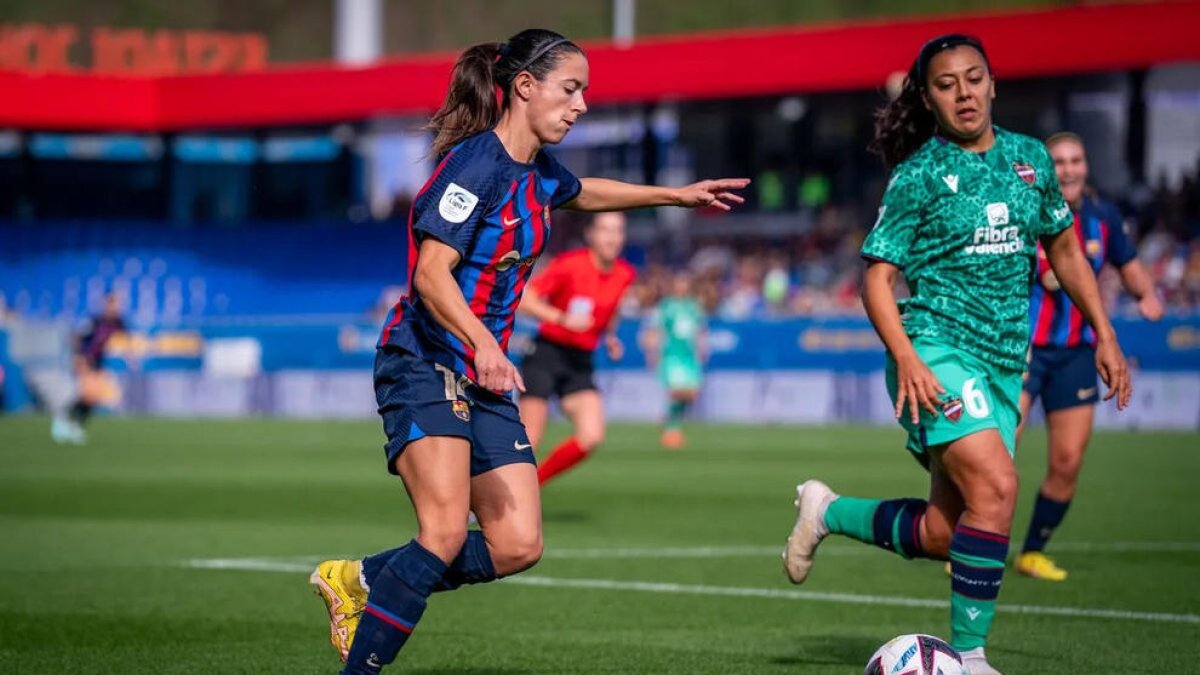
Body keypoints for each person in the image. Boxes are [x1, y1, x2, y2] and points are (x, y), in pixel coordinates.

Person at [308, 29, 747, 674]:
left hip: (483, 374)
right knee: (445, 534)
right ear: (524, 87)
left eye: (584, 93)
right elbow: (430, 274)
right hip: (424, 360)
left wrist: (675, 196)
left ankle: (362, 578)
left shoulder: (538, 171)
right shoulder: (473, 166)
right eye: (570, 90)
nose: (581, 105)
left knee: (517, 544)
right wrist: (485, 342)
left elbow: (583, 191)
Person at [781, 34, 1130, 675]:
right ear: (929, 97)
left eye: (974, 78)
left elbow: (1066, 250)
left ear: (993, 84)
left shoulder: (1030, 159)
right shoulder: (917, 174)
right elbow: (876, 279)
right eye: (947, 83)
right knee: (998, 486)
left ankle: (826, 510)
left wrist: (1103, 330)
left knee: (950, 530)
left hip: (1003, 362)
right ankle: (970, 659)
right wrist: (909, 358)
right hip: (936, 350)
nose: (964, 92)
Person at [1014, 132, 1162, 581]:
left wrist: (1147, 294)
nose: (1070, 169)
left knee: (1068, 461)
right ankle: (965, 544)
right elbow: (1053, 274)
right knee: (997, 452)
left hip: (1077, 353)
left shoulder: (1104, 218)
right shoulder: (1025, 211)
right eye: (1059, 162)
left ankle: (1032, 552)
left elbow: (1130, 266)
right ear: (1046, 169)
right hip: (1022, 350)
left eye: (1076, 160)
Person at [515, 211, 635, 486]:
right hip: (546, 354)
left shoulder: (624, 274)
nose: (612, 237)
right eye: (605, 230)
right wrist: (561, 318)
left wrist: (610, 336)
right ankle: (487, 502)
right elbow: (525, 298)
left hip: (580, 360)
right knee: (528, 441)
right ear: (590, 235)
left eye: (618, 230)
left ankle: (534, 483)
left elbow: (611, 308)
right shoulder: (570, 265)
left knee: (591, 436)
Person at [641, 270, 708, 448]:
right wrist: (652, 353)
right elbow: (655, 331)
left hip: (689, 356)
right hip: (672, 356)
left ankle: (667, 417)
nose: (682, 286)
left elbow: (699, 332)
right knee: (677, 391)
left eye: (685, 283)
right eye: (679, 282)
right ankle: (672, 430)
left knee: (692, 393)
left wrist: (702, 350)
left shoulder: (694, 307)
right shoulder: (665, 306)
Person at [54, 294, 126, 444]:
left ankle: (73, 425)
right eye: (113, 303)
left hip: (99, 362)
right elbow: (76, 337)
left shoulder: (119, 322)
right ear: (106, 304)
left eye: (118, 303)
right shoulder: (95, 321)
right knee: (88, 395)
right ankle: (66, 419)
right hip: (86, 360)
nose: (116, 307)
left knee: (91, 398)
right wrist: (79, 357)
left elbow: (127, 339)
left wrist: (131, 357)